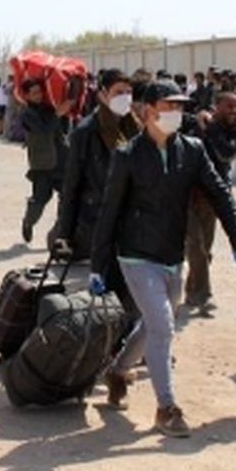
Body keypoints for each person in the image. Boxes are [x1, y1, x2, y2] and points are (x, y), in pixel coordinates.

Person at [91, 80, 236, 437]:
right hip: (136, 255)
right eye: (168, 106)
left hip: (172, 255)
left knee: (153, 325)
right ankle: (167, 408)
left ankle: (118, 371)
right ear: (147, 111)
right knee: (163, 325)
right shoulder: (128, 155)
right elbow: (109, 212)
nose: (176, 113)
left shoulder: (192, 150)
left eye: (180, 107)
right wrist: (99, 265)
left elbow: (220, 193)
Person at [53, 69, 142, 318]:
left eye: (128, 92)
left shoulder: (134, 126)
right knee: (112, 286)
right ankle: (115, 336)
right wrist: (65, 233)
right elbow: (71, 185)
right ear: (102, 94)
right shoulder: (86, 132)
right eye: (118, 92)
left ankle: (131, 334)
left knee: (135, 286)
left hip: (133, 218)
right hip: (100, 220)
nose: (125, 98)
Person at [184, 91, 236, 310]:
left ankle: (192, 290)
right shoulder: (198, 124)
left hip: (213, 196)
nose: (234, 111)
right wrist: (198, 118)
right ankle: (203, 295)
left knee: (205, 248)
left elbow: (225, 153)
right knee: (196, 245)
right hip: (188, 193)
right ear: (216, 107)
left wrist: (209, 127)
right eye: (229, 106)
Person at [19, 79, 71, 244]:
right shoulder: (27, 114)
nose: (39, 96)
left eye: (40, 92)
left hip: (61, 160)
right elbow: (43, 130)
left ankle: (60, 230)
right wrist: (57, 114)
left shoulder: (49, 108)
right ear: (26, 95)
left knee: (67, 196)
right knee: (40, 199)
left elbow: (60, 131)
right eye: (34, 93)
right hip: (42, 164)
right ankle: (29, 222)